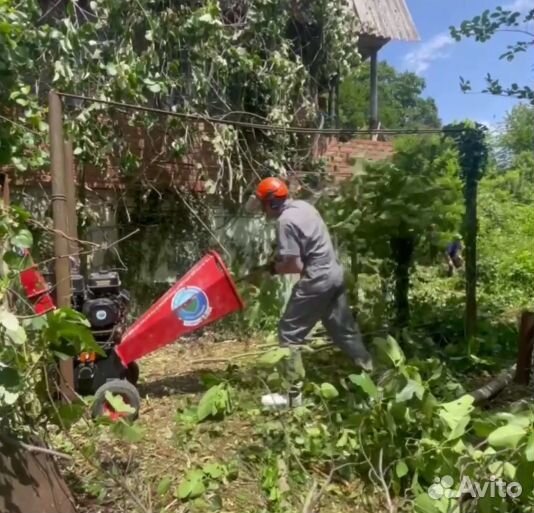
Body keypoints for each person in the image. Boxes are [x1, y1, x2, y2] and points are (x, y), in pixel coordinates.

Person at [245, 177, 373, 408]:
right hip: (334, 273)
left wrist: (269, 270)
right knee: (345, 331)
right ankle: (371, 385)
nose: (263, 212)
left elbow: (294, 266)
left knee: (289, 332)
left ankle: (292, 397)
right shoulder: (304, 207)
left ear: (272, 203)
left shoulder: (285, 221)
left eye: (264, 205)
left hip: (317, 280)